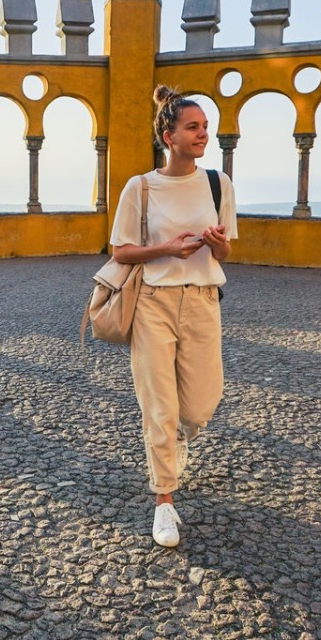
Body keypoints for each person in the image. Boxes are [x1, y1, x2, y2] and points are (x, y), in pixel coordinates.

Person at [109, 86, 238, 547]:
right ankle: (164, 500)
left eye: (205, 126)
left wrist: (217, 244)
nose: (203, 133)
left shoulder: (218, 184)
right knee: (159, 406)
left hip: (203, 300)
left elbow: (227, 250)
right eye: (193, 127)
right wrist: (168, 248)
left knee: (201, 403)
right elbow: (120, 251)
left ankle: (179, 438)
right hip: (153, 303)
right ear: (169, 135)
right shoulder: (140, 187)